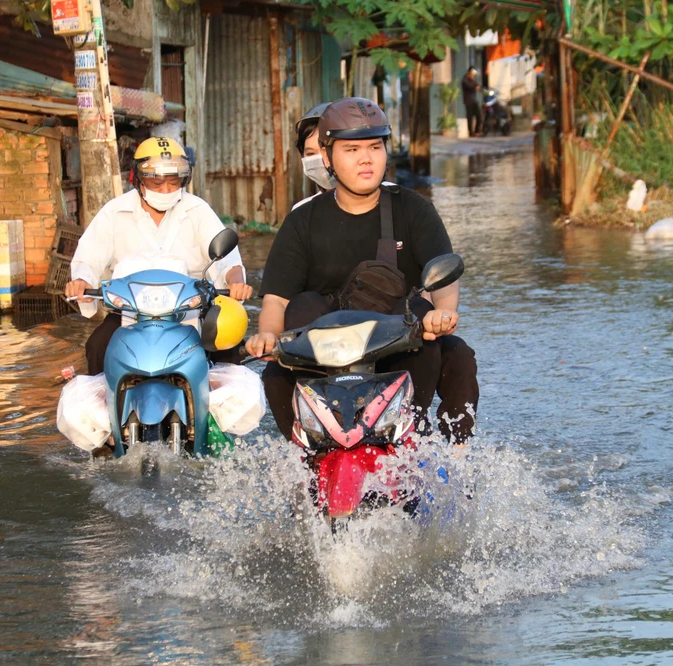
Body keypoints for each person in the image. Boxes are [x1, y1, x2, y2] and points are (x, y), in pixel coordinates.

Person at [246, 98, 479, 445]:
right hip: (324, 352)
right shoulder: (302, 220)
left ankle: (434, 450)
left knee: (453, 351)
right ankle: (305, 457)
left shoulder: (413, 209)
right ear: (327, 158)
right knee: (279, 363)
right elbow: (277, 301)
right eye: (351, 149)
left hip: (397, 340)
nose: (367, 158)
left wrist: (443, 313)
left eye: (375, 146)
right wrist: (266, 335)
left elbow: (442, 274)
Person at [66, 137, 253, 376]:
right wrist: (82, 281)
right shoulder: (114, 212)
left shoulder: (197, 210)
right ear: (138, 180)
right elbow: (88, 258)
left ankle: (219, 410)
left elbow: (228, 260)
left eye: (173, 182)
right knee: (97, 347)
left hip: (191, 310)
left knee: (228, 352)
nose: (166, 190)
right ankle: (108, 408)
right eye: (157, 182)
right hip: (131, 314)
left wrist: (235, 282)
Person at [462, 67, 484, 137]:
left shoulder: (473, 81)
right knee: (470, 117)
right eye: (472, 74)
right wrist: (475, 87)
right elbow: (470, 86)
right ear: (469, 73)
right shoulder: (464, 80)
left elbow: (478, 86)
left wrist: (480, 88)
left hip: (474, 101)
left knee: (479, 116)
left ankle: (476, 131)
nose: (473, 76)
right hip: (468, 101)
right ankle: (471, 133)